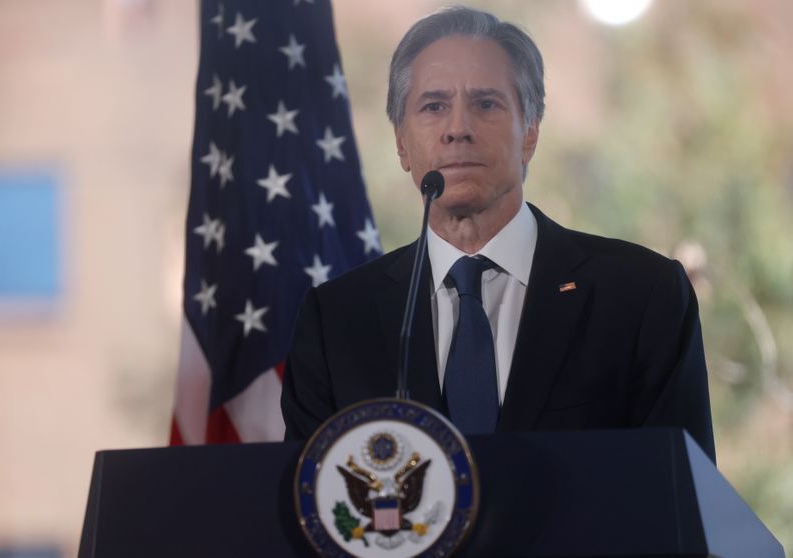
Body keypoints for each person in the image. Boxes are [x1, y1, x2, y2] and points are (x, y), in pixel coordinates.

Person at [280, 6, 716, 462]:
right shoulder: (336, 323)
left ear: (529, 132)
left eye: (485, 103)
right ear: (401, 143)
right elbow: (312, 511)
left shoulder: (641, 295)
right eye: (434, 106)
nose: (458, 129)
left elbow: (681, 504)